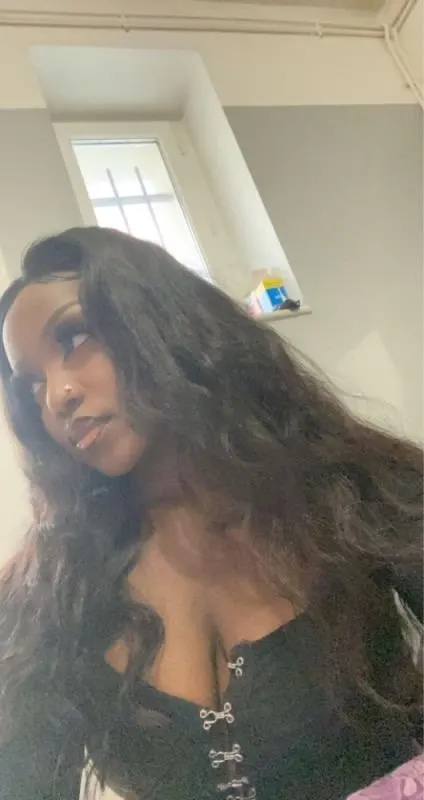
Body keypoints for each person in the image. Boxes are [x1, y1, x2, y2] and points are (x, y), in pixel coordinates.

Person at [0, 226, 421, 800]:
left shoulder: (351, 491)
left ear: (160, 320)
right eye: (31, 384)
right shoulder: (50, 597)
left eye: (74, 337)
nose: (57, 396)